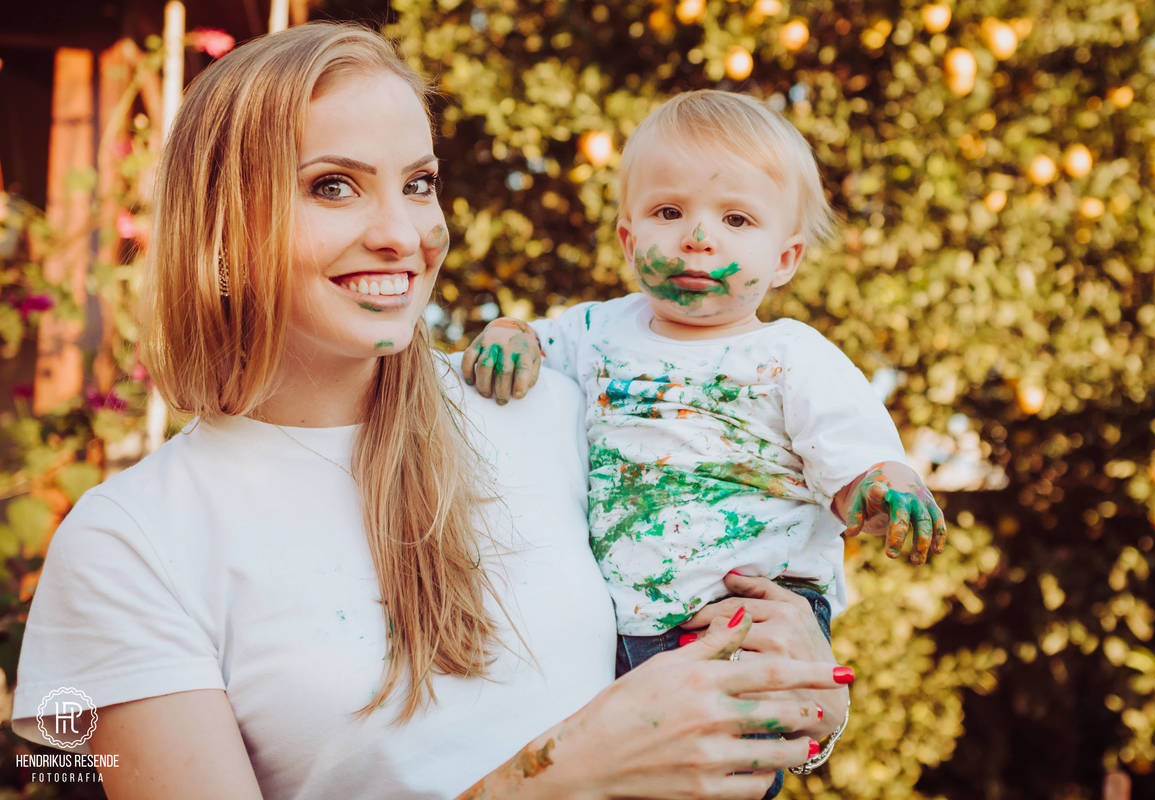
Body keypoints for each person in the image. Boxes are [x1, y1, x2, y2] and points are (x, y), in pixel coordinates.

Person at [10, 24, 848, 800]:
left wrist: (800, 698)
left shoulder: (547, 411)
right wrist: (560, 776)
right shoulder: (132, 540)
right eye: (333, 186)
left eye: (418, 184)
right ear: (222, 224)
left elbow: (720, 631)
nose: (400, 232)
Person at [463, 89, 949, 776]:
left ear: (784, 259)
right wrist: (511, 336)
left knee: (712, 780)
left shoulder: (791, 355)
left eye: (736, 218)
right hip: (617, 627)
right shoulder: (597, 331)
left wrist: (882, 488)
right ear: (630, 240)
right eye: (669, 212)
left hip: (746, 614)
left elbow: (853, 453)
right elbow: (532, 338)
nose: (699, 236)